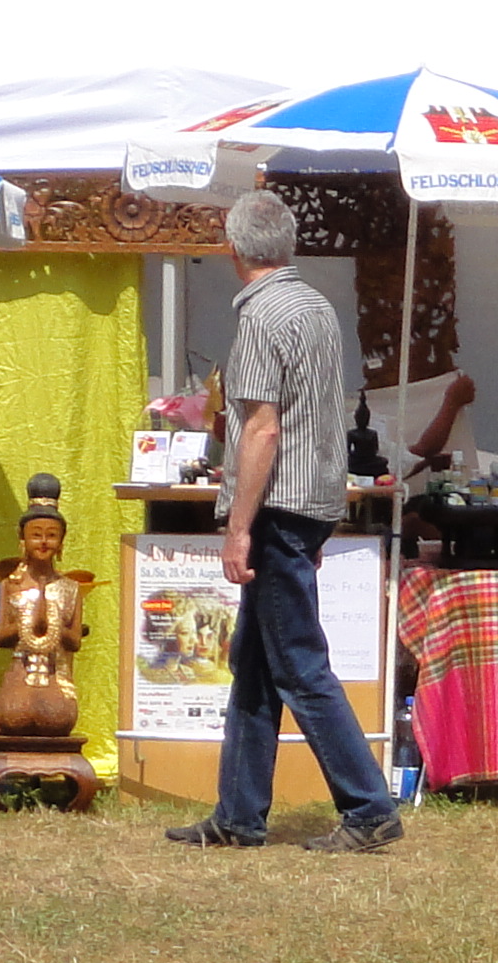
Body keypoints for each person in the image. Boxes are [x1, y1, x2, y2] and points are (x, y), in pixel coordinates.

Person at [170, 190, 402, 853]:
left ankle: (368, 807)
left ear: (233, 250)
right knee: (255, 663)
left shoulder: (260, 317)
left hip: (275, 507)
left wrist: (239, 526)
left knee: (299, 665)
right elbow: (322, 417)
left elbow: (262, 429)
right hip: (310, 500)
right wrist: (320, 516)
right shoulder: (316, 308)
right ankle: (239, 813)